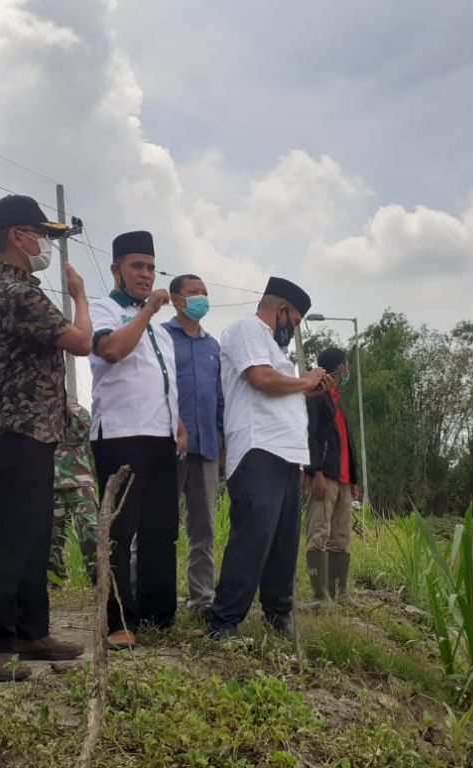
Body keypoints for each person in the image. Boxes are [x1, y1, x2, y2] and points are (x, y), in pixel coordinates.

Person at [0, 194, 92, 682]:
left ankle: (30, 632)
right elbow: (81, 342)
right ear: (17, 237)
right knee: (10, 539)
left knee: (33, 536)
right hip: (18, 430)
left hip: (32, 431)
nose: (45, 244)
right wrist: (80, 296)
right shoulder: (14, 291)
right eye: (41, 234)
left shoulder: (8, 287)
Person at [206, 278, 327, 639]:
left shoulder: (277, 351)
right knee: (254, 536)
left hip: (287, 454)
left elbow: (278, 387)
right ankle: (225, 619)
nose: (294, 329)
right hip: (258, 448)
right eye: (296, 321)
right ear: (282, 311)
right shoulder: (247, 329)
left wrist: (306, 389)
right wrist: (305, 382)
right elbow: (260, 378)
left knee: (283, 541)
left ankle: (278, 611)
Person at [89, 231, 185, 650]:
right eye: (137, 266)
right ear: (117, 269)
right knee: (119, 530)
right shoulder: (103, 308)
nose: (146, 274)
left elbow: (161, 383)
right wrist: (147, 310)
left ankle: (158, 616)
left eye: (151, 267)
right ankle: (117, 620)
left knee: (161, 530)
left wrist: (177, 425)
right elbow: (111, 350)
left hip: (161, 436)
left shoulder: (161, 333)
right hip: (120, 436)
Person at [163, 274, 223, 617]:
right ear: (176, 299)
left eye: (204, 292)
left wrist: (222, 443)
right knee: (159, 525)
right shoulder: (161, 337)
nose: (201, 298)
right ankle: (152, 595)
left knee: (204, 529)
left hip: (207, 448)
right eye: (194, 292)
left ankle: (202, 600)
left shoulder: (213, 347)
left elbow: (219, 399)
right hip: (168, 446)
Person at [305, 347, 360, 603]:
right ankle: (319, 595)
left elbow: (347, 444)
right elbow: (311, 436)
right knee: (319, 533)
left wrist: (354, 480)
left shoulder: (337, 402)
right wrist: (314, 471)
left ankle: (339, 593)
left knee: (341, 536)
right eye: (346, 367)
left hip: (343, 480)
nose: (347, 373)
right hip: (324, 477)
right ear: (340, 368)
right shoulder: (316, 398)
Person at [49, 401, 100, 586]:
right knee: (50, 542)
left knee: (91, 531)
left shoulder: (78, 411)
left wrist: (65, 407)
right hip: (49, 485)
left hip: (79, 482)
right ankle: (54, 583)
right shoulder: (38, 413)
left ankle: (99, 579)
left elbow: (82, 430)